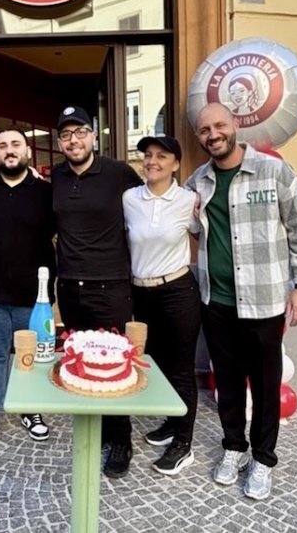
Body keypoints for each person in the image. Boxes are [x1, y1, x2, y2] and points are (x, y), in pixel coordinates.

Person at [186, 102, 297, 501]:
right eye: (205, 129)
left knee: (264, 387)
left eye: (220, 125)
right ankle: (233, 448)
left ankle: (262, 458)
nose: (213, 134)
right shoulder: (199, 181)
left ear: (236, 125)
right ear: (200, 136)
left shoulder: (274, 171)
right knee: (226, 384)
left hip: (264, 302)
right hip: (217, 302)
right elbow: (193, 227)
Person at [51, 105, 142, 477]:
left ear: (93, 136)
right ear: (59, 142)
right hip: (70, 286)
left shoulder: (119, 173)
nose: (74, 140)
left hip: (111, 285)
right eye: (66, 134)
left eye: (80, 132)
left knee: (115, 364)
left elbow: (150, 207)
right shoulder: (54, 177)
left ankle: (121, 440)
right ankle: (97, 429)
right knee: (83, 362)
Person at [0, 127, 56, 450]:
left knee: (28, 355)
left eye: (16, 144)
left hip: (33, 295)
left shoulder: (46, 192)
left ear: (28, 152)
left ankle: (30, 408)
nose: (9, 150)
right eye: (2, 145)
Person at [123, 134, 201, 476]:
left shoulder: (188, 200)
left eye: (161, 156)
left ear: (175, 164)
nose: (152, 161)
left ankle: (183, 445)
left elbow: (208, 233)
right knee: (157, 363)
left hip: (178, 291)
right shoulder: (129, 198)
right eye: (148, 155)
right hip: (142, 293)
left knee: (182, 368)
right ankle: (172, 421)